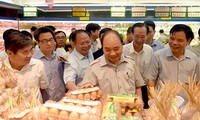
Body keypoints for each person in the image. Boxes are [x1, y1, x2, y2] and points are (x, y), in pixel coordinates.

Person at [80, 30, 145, 100]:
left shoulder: (131, 63)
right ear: (102, 48)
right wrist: (88, 88)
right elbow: (86, 91)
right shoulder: (94, 67)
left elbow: (138, 86)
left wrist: (139, 103)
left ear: (122, 45)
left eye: (116, 49)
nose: (112, 53)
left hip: (129, 108)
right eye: (107, 50)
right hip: (106, 109)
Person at [145, 24, 199, 101]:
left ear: (188, 41)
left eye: (180, 40)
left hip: (186, 106)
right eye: (172, 38)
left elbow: (196, 84)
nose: (174, 43)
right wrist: (153, 101)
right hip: (163, 105)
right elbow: (151, 81)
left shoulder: (194, 59)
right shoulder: (157, 56)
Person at [2, 32, 49, 103]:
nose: (30, 55)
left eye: (31, 50)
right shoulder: (2, 70)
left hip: (35, 111)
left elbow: (42, 88)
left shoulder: (38, 65)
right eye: (25, 52)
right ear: (9, 53)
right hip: (11, 112)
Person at [123, 23, 153, 108]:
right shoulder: (124, 50)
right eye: (136, 36)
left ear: (147, 36)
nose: (139, 40)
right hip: (128, 89)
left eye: (143, 36)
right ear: (131, 34)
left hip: (145, 88)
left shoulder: (149, 50)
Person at [33, 27, 66, 102]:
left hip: (61, 100)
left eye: (51, 40)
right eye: (45, 41)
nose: (49, 43)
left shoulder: (60, 57)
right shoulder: (34, 61)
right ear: (38, 42)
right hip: (44, 103)